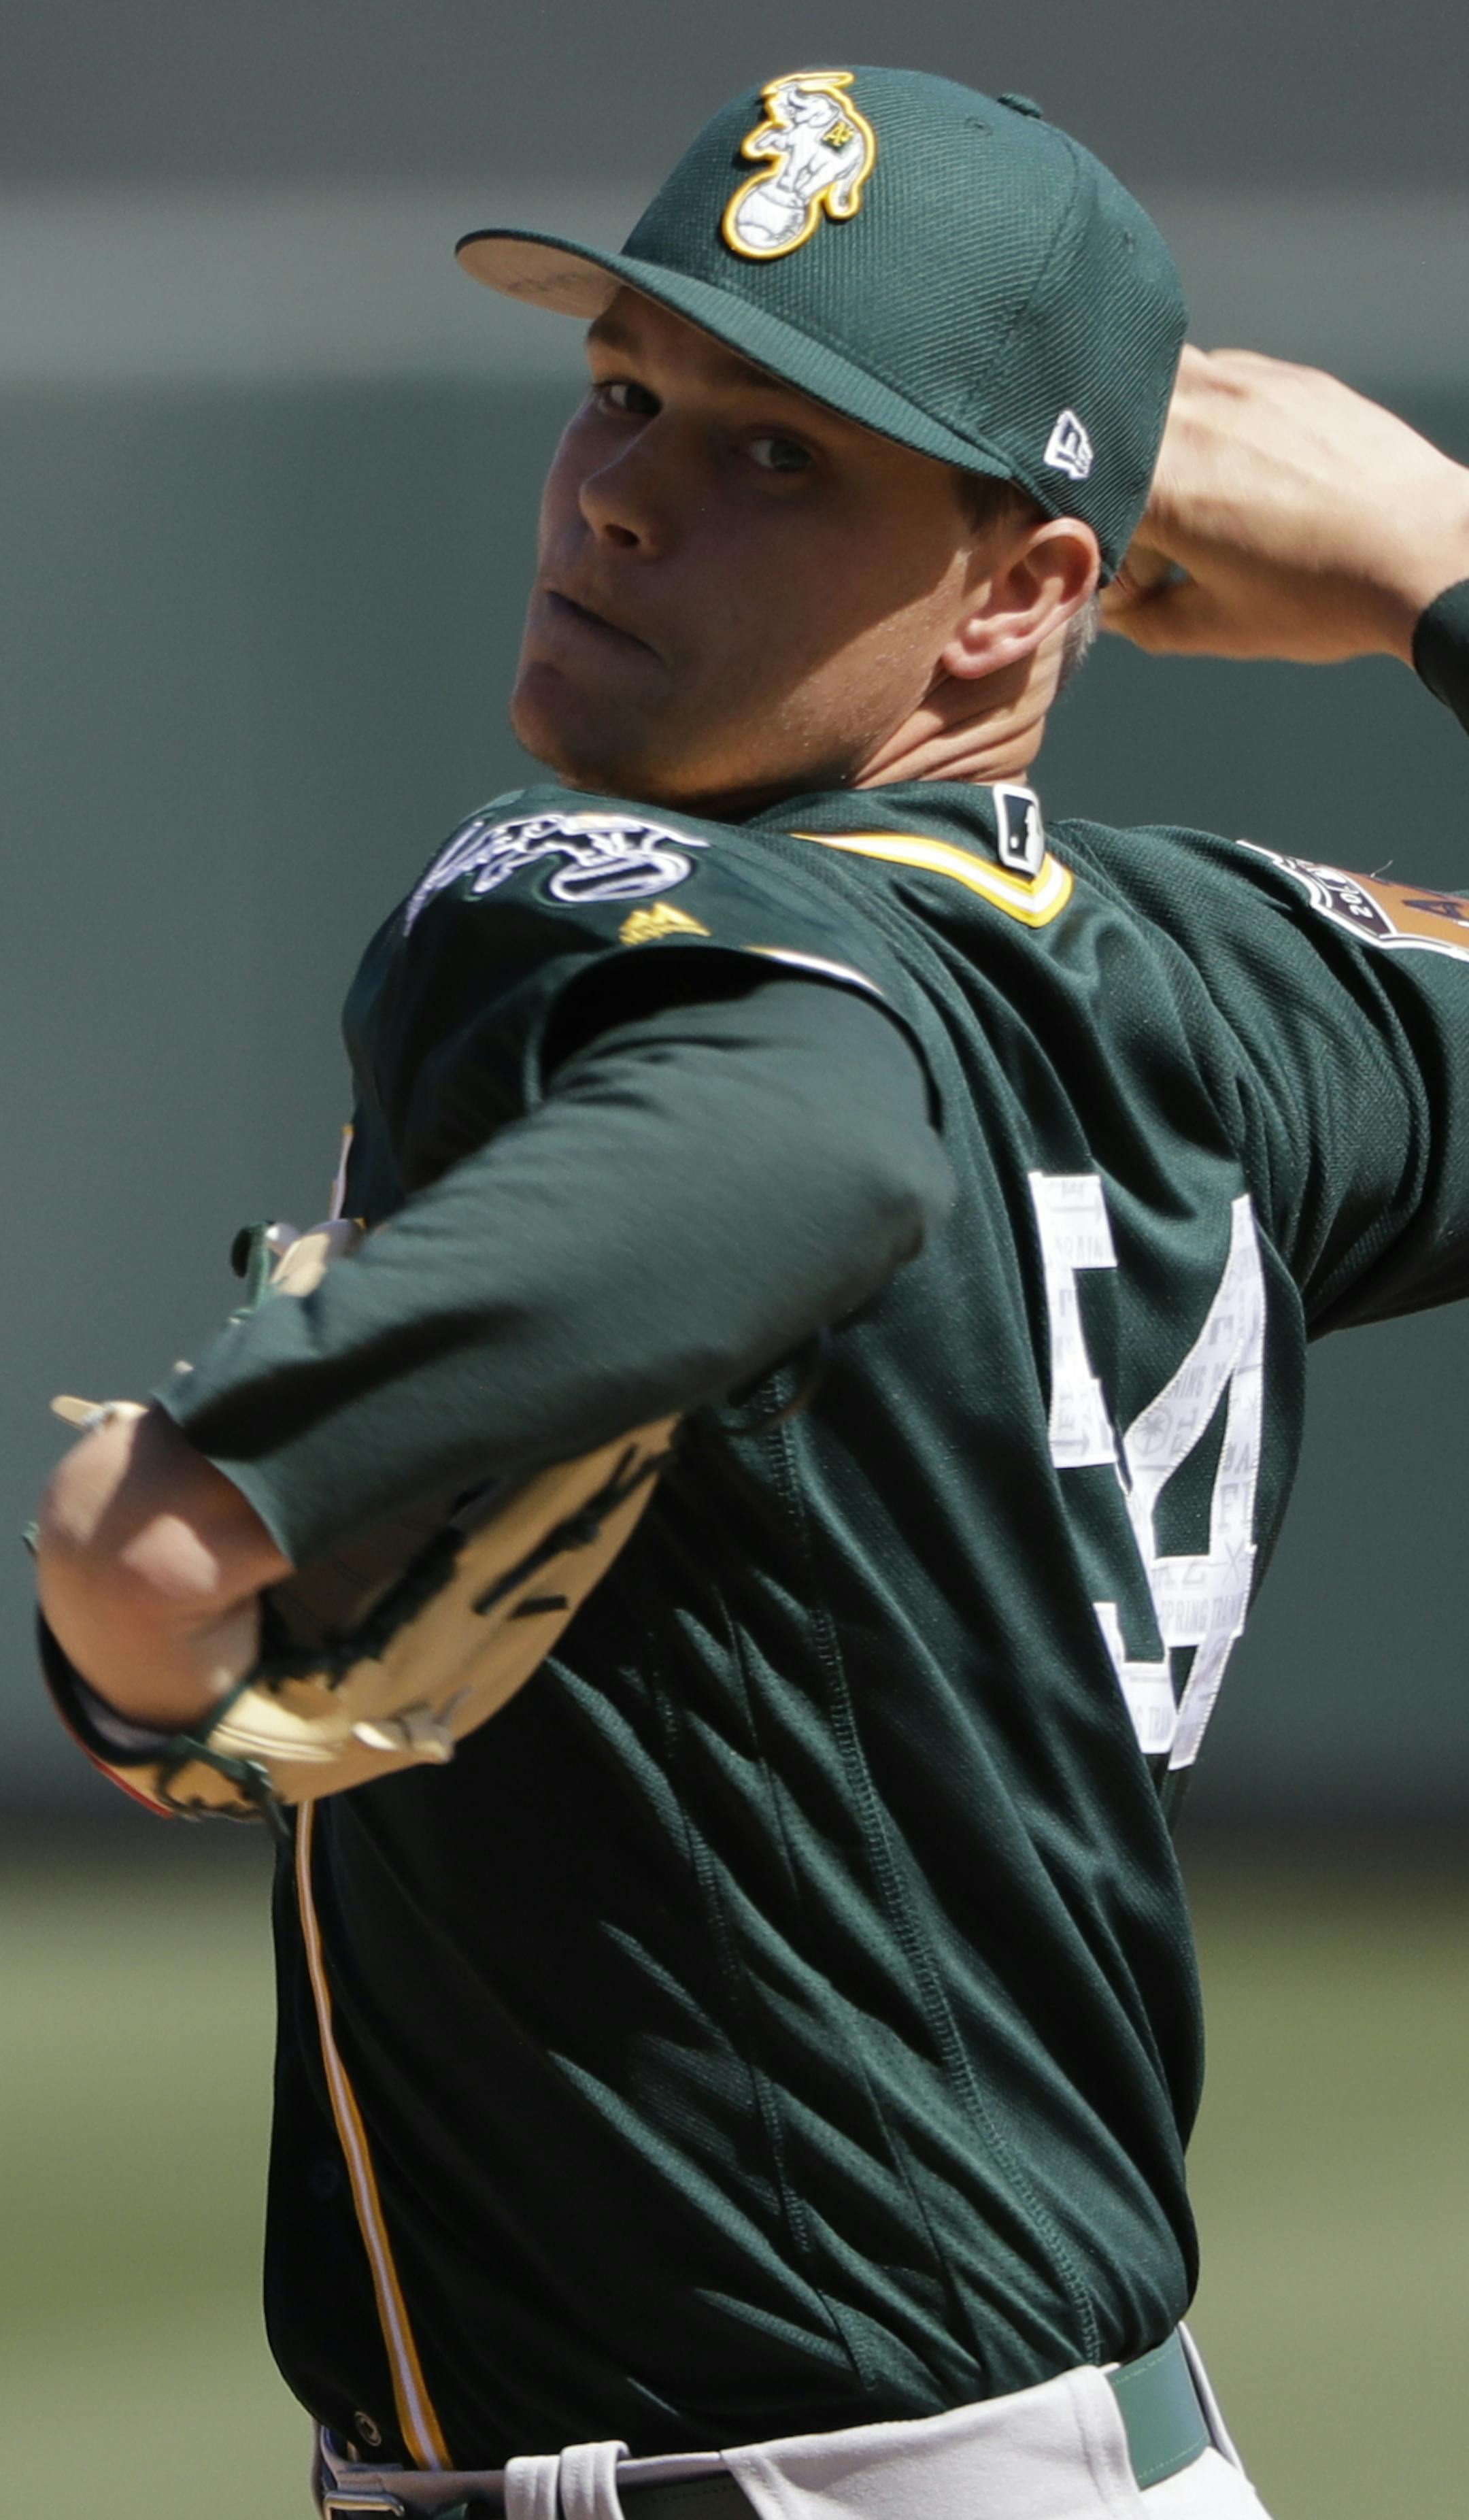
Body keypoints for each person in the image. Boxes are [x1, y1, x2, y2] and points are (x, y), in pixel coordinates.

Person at [32, 64, 1469, 2520]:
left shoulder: (572, 884)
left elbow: (803, 1137)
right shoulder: (1231, 991)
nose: (620, 490)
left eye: (781, 454)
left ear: (1026, 589)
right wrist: (1447, 556)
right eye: (626, 389)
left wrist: (209, 1506)